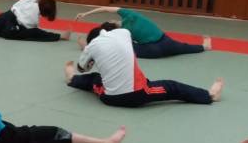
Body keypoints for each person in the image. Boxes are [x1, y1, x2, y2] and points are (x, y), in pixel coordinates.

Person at [67, 24, 222, 107]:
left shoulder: (92, 46)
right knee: (172, 87)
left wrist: (91, 55)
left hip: (109, 98)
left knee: (94, 78)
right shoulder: (124, 32)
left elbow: (82, 68)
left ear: (91, 40)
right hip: (138, 94)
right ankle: (209, 95)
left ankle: (72, 79)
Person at [76, 6, 210, 58]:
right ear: (113, 21)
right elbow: (106, 8)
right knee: (184, 47)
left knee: (123, 48)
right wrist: (86, 13)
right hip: (166, 42)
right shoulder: (128, 15)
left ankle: (89, 47)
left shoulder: (122, 33)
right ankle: (205, 46)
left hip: (152, 51)